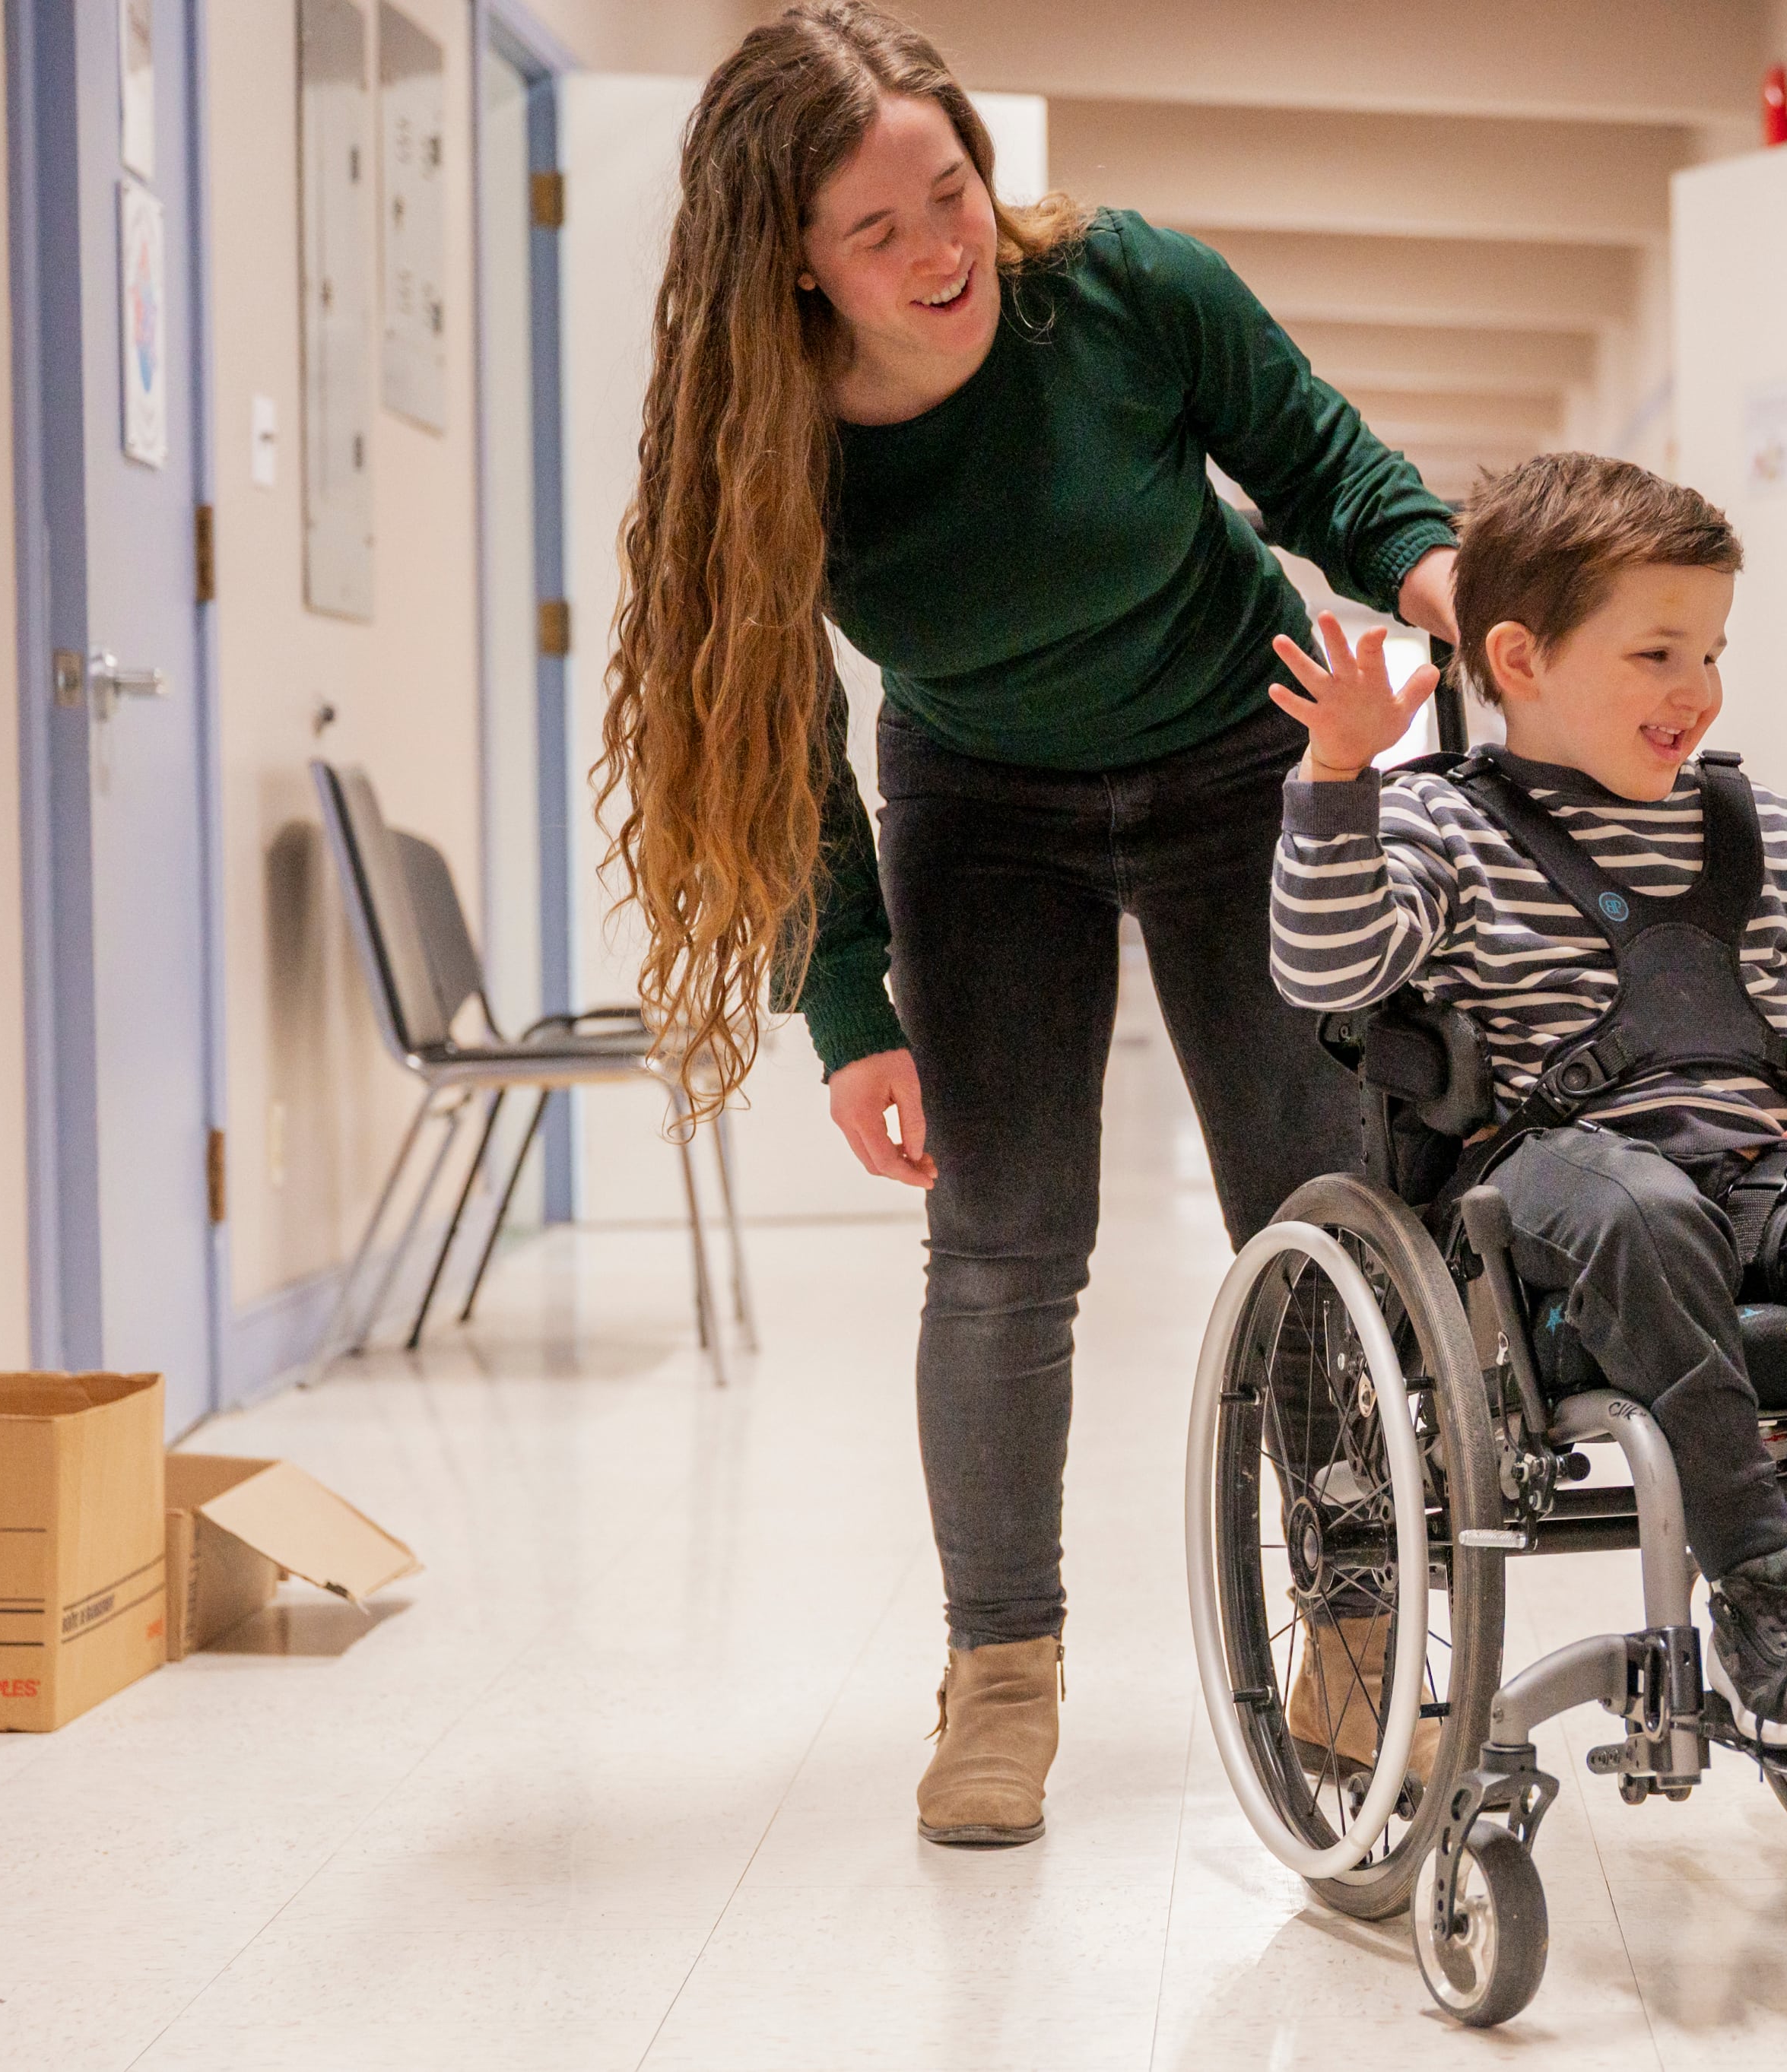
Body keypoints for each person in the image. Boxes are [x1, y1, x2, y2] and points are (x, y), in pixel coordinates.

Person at [597, 2, 1458, 1848]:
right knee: (1000, 1245)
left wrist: (1438, 571)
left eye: (952, 190)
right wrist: (850, 1008)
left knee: (1310, 1205)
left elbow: (1315, 459)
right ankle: (1000, 1670)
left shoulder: (1124, 290)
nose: (942, 247)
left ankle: (1356, 1613)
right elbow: (776, 750)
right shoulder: (768, 445)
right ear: (795, 267)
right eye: (878, 230)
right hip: (984, 809)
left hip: (1243, 759)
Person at [1265, 453, 1787, 1767]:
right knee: (1646, 1210)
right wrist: (1338, 775)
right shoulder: (1443, 825)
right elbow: (1328, 969)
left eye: (1713, 653)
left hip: (1770, 1166)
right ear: (1519, 658)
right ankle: (1766, 1588)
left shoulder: (1765, 831)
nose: (1699, 689)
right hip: (1559, 1175)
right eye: (1658, 655)